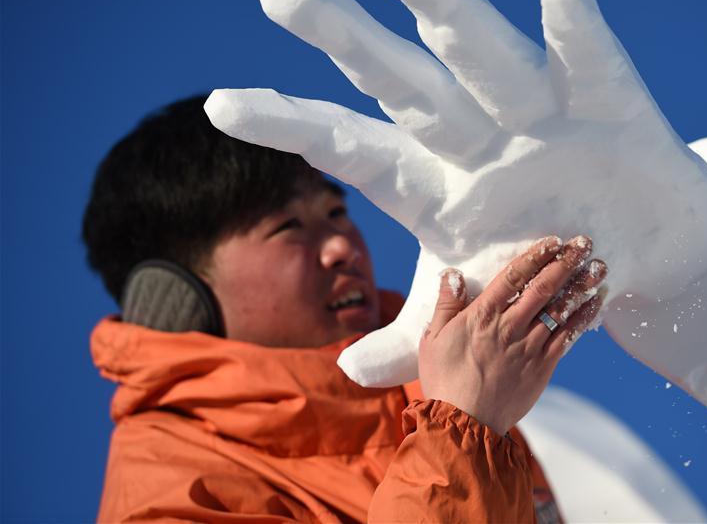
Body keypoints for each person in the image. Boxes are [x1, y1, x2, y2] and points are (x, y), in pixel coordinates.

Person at [84, 94, 608, 523]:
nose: (342, 247)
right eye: (288, 227)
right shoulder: (164, 491)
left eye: (336, 212)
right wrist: (458, 434)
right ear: (175, 297)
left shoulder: (445, 391)